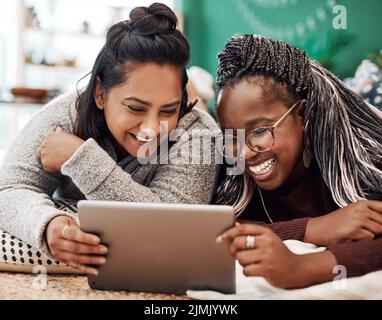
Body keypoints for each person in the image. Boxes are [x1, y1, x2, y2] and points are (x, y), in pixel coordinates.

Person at [0, 3, 219, 275]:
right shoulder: (65, 115)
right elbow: (8, 189)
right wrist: (47, 223)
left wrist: (80, 159)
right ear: (100, 94)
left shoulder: (199, 135)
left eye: (168, 110)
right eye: (136, 108)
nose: (152, 128)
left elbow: (173, 227)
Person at [214, 34, 382, 289]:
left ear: (303, 116)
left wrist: (303, 268)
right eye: (231, 136)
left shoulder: (362, 162)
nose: (244, 153)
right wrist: (311, 229)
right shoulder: (234, 173)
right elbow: (214, 229)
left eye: (259, 131)